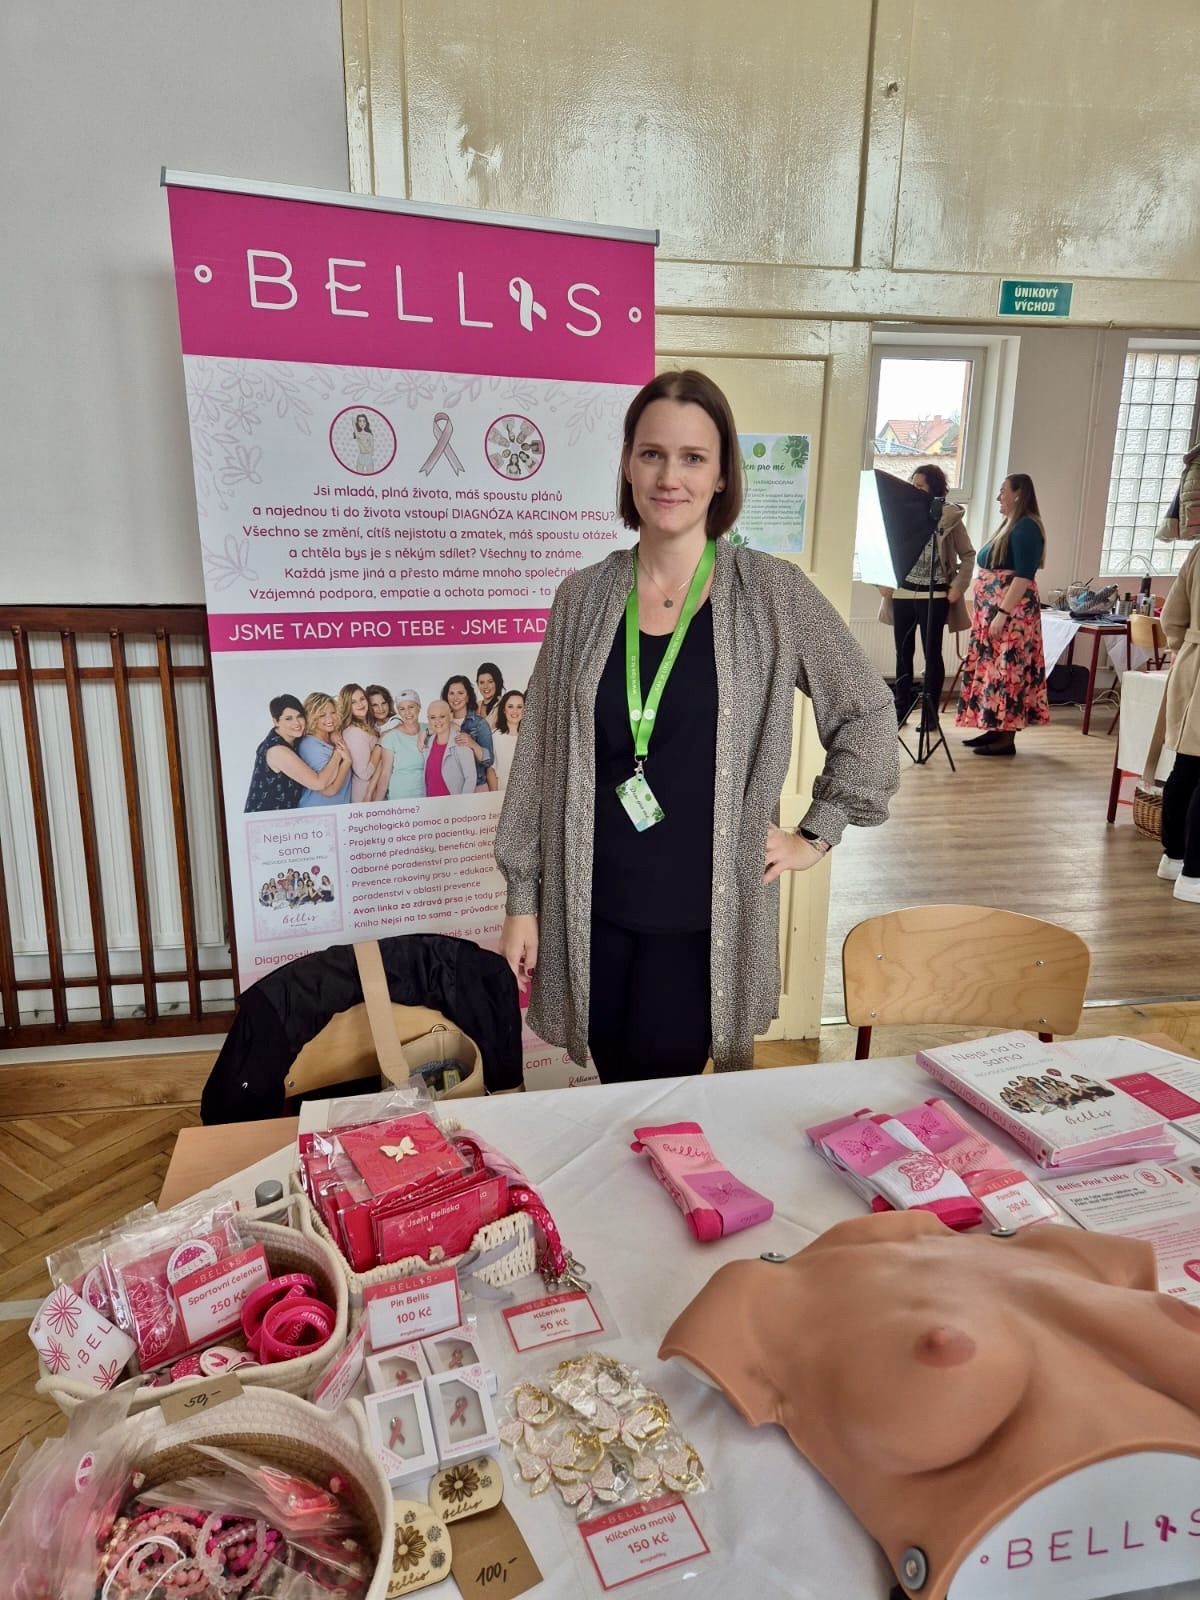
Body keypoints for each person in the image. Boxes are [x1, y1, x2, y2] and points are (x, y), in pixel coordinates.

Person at [495, 369, 897, 1083]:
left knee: (663, 1092)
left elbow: (867, 708)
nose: (669, 476)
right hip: (593, 910)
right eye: (652, 454)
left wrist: (817, 832)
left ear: (721, 476)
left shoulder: (771, 593)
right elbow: (537, 758)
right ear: (628, 464)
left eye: (693, 457)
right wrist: (522, 900)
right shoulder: (582, 598)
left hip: (701, 922)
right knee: (616, 1087)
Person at [955, 473, 1050, 756]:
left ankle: (1006, 739)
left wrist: (1002, 613)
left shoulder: (1026, 527)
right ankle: (994, 728)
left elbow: (1023, 577)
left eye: (1003, 491)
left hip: (1012, 617)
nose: (999, 497)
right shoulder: (1010, 525)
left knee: (1008, 671)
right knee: (995, 672)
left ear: (1018, 494)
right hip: (995, 612)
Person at [876, 465, 974, 728]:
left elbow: (968, 555)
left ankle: (930, 715)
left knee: (933, 654)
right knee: (902, 652)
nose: (914, 489)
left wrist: (959, 586)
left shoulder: (949, 516)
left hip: (935, 594)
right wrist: (881, 583)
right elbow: (880, 549)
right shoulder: (900, 514)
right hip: (903, 593)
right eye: (913, 485)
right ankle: (901, 708)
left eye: (920, 486)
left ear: (934, 489)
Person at [1157, 534, 1200, 900]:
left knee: (1186, 765)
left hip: (1191, 662)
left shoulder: (1199, 550)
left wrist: (1185, 649)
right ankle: (1194, 873)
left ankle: (1174, 857)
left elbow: (1171, 616)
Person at [244, 694, 350, 812]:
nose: (297, 723)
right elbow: (319, 783)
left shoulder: (294, 737)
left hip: (288, 815)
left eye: (299, 716)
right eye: (288, 718)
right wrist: (338, 751)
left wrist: (334, 734)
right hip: (267, 817)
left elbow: (325, 727)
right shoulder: (278, 751)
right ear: (275, 721)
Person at [337, 682, 393, 802]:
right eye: (353, 702)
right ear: (347, 706)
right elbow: (364, 773)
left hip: (376, 792)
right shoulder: (354, 732)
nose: (360, 704)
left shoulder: (367, 726)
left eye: (362, 699)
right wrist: (380, 742)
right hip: (364, 796)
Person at [296, 692, 352, 807]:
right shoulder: (310, 745)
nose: (330, 718)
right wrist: (347, 762)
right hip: (318, 811)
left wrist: (335, 735)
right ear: (312, 717)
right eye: (322, 715)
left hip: (339, 810)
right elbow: (329, 790)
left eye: (333, 712)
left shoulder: (332, 736)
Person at [442, 674, 497, 792]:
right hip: (450, 788)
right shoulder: (441, 723)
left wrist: (472, 744)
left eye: (460, 693)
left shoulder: (479, 723)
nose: (455, 698)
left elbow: (488, 761)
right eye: (451, 693)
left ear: (467, 697)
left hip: (477, 787)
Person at [424, 699, 479, 795]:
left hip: (453, 802)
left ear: (450, 717)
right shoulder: (429, 742)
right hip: (431, 802)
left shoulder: (461, 741)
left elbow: (471, 778)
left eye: (442, 716)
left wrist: (462, 802)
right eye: (433, 717)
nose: (437, 721)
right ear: (428, 719)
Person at [381, 689, 428, 799]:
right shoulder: (391, 737)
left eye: (411, 707)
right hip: (400, 796)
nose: (407, 712)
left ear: (419, 707)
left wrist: (426, 732)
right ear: (398, 711)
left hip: (427, 794)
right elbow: (385, 774)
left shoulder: (430, 729)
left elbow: (450, 726)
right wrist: (376, 805)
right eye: (402, 709)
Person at [492, 689, 525, 789]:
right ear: (504, 710)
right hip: (501, 790)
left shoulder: (530, 737)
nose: (515, 711)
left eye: (519, 707)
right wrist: (494, 794)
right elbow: (491, 769)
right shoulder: (495, 735)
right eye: (510, 706)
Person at [476, 662, 505, 728]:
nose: (485, 686)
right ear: (478, 684)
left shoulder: (504, 704)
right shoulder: (474, 707)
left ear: (497, 682)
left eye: (490, 682)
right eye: (482, 682)